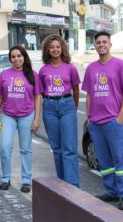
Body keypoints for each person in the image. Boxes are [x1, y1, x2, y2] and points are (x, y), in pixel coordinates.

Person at [81, 31, 123, 210]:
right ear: (95, 46)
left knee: (120, 159)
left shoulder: (120, 65)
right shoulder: (91, 68)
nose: (101, 45)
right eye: (98, 42)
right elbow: (89, 94)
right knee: (104, 161)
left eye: (105, 42)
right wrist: (88, 117)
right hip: (96, 123)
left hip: (114, 121)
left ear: (110, 44)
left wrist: (121, 115)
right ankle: (111, 191)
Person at [0, 45, 42, 193]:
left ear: (24, 57)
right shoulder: (4, 75)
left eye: (19, 56)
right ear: (10, 59)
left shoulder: (32, 74)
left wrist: (37, 118)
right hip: (8, 115)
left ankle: (26, 180)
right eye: (13, 57)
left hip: (27, 116)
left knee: (25, 149)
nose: (16, 59)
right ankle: (5, 178)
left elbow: (37, 96)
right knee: (5, 147)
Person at [38, 34, 80, 188]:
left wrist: (72, 108)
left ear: (62, 48)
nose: (55, 49)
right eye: (52, 47)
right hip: (49, 107)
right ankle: (62, 184)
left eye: (57, 46)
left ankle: (73, 186)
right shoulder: (43, 70)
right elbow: (41, 91)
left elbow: (76, 89)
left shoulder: (70, 68)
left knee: (69, 149)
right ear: (47, 50)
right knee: (57, 149)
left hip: (67, 106)